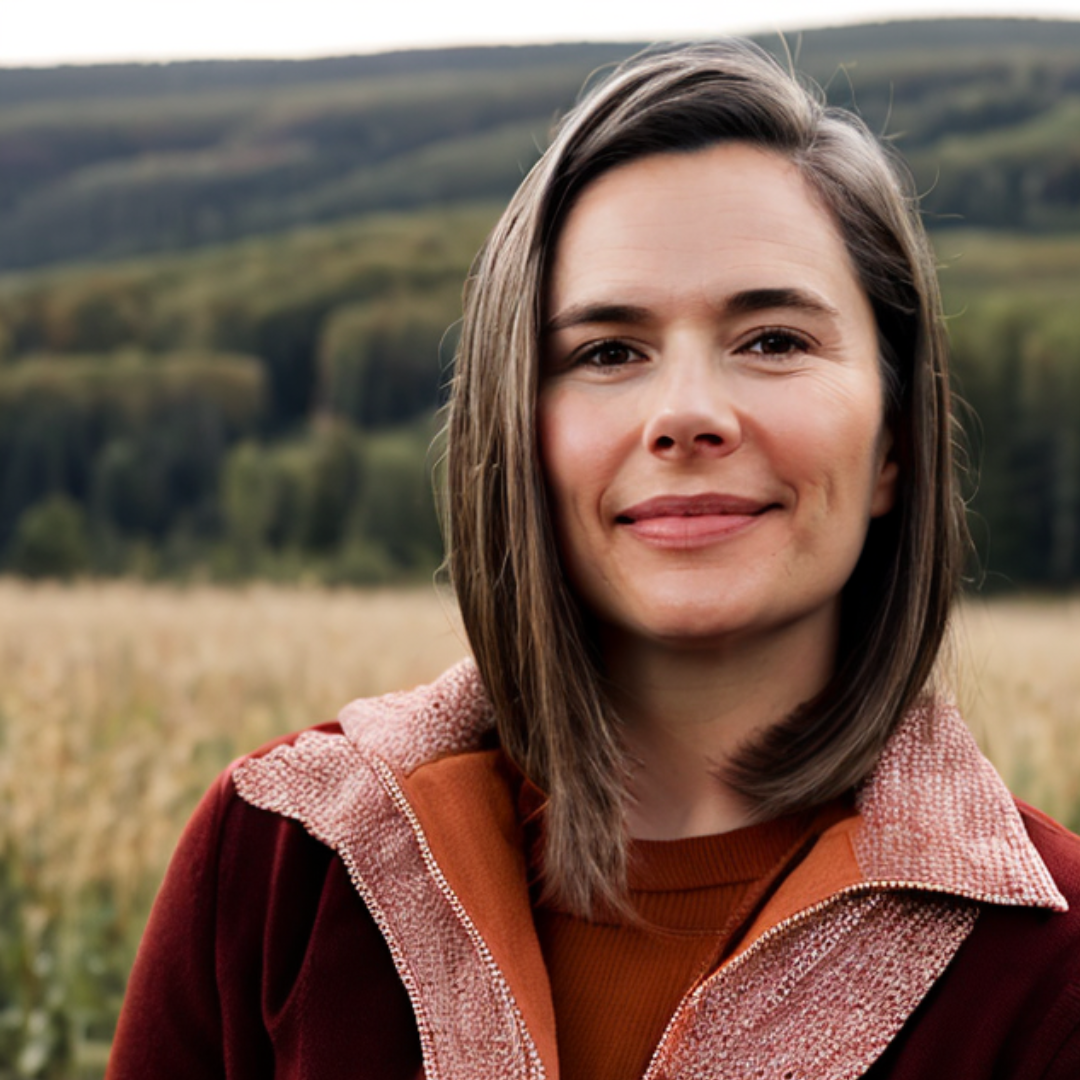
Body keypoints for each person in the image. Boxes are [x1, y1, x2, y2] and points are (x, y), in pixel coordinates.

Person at [108, 41, 1080, 1080]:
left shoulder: (1052, 974)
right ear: (514, 432)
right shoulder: (284, 862)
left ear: (895, 443)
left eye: (773, 340)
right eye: (607, 352)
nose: (689, 416)